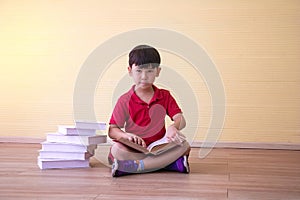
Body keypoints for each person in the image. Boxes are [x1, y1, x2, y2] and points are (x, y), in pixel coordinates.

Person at [108, 44, 190, 177]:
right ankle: (168, 164)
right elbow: (112, 130)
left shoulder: (165, 96)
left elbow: (180, 119)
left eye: (150, 71)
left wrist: (174, 127)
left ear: (158, 71)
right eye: (139, 71)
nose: (144, 76)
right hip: (135, 148)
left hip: (159, 148)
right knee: (117, 150)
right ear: (130, 71)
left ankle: (134, 167)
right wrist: (126, 136)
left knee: (185, 146)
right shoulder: (124, 100)